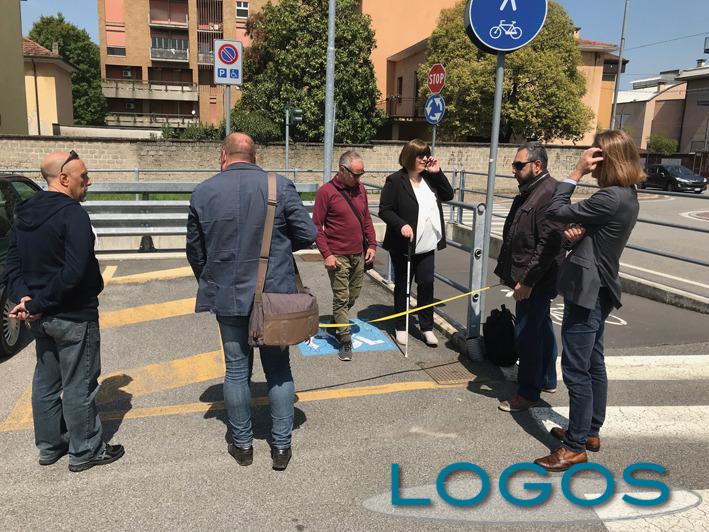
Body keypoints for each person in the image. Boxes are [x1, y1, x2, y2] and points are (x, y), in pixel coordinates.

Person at [186, 132, 316, 471]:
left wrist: (212, 279)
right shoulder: (279, 186)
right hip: (274, 298)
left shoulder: (203, 192)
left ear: (223, 156)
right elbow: (308, 234)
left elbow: (195, 251)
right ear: (254, 157)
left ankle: (243, 446)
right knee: (278, 368)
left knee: (236, 370)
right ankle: (281, 447)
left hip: (227, 295)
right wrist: (276, 250)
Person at [4, 150, 125, 472]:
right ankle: (85, 450)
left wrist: (25, 299)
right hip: (73, 316)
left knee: (46, 383)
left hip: (39, 318)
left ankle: (50, 446)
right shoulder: (73, 214)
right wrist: (37, 304)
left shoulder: (25, 211)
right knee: (79, 384)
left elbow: (12, 264)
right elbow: (74, 272)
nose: (89, 181)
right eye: (83, 176)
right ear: (63, 178)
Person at [534, 129, 644, 471]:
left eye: (595, 154)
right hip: (601, 287)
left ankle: (574, 447)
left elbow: (554, 210)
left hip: (588, 291)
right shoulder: (628, 195)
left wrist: (576, 172)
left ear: (606, 159)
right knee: (594, 361)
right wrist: (579, 236)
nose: (590, 159)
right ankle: (589, 431)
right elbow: (596, 237)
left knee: (575, 369)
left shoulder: (609, 198)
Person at [495, 143, 566, 413]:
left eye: (518, 165)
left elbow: (548, 245)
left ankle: (528, 392)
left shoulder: (547, 194)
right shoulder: (532, 190)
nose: (513, 170)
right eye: (514, 165)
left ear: (537, 166)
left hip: (536, 278)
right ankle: (546, 378)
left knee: (527, 334)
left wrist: (527, 281)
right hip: (531, 275)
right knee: (541, 326)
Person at [379, 139, 454, 347]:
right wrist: (401, 224)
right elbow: (385, 209)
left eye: (427, 154)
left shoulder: (430, 178)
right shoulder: (395, 180)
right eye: (420, 155)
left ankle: (426, 327)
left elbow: (448, 195)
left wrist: (437, 172)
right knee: (403, 285)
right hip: (405, 245)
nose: (425, 159)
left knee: (427, 284)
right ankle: (401, 325)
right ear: (410, 157)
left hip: (427, 244)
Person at [312, 151, 377, 361]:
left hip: (358, 253)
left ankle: (336, 322)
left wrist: (372, 244)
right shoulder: (326, 192)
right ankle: (345, 340)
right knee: (341, 298)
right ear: (342, 169)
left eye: (361, 174)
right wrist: (327, 254)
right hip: (338, 255)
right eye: (356, 174)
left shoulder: (360, 189)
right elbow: (316, 226)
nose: (359, 178)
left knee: (353, 294)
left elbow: (366, 219)